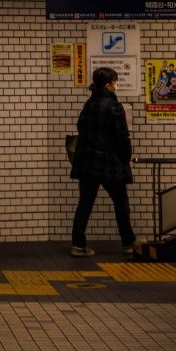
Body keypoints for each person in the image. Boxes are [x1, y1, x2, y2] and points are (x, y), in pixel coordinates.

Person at [70, 67, 137, 257]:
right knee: (121, 203)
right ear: (108, 85)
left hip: (88, 162)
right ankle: (128, 243)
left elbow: (81, 127)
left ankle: (78, 244)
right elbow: (122, 136)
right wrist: (125, 158)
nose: (117, 85)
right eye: (115, 82)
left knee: (85, 203)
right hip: (109, 163)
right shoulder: (114, 106)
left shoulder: (89, 104)